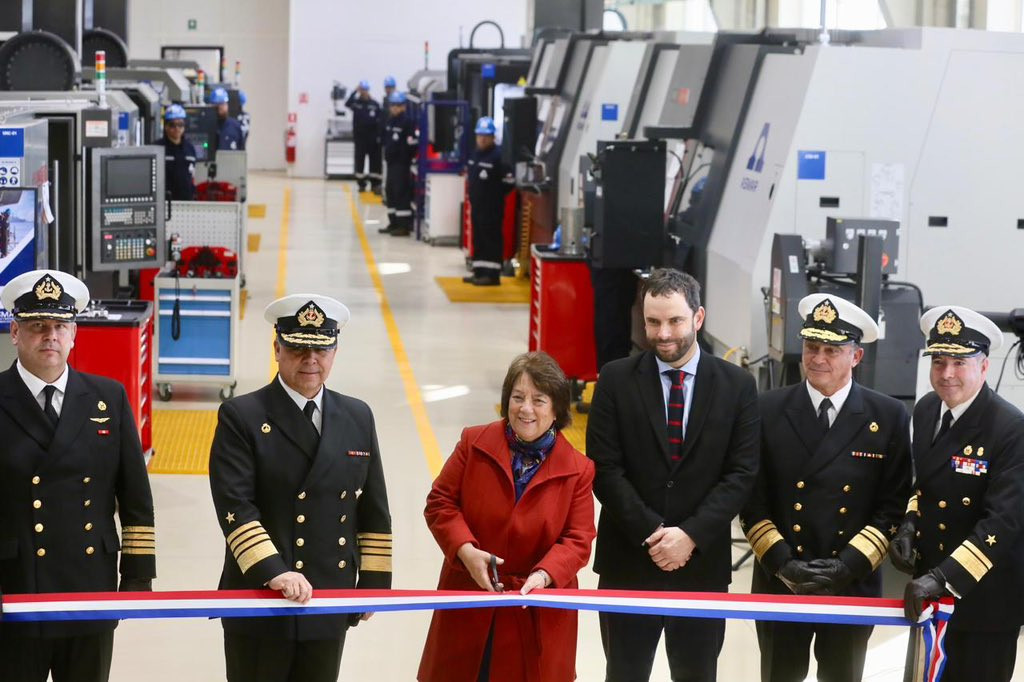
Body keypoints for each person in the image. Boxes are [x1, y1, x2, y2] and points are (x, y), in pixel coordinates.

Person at [587, 267, 759, 682]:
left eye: (675, 321)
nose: (663, 334)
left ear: (698, 318)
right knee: (624, 673)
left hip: (701, 565)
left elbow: (741, 473)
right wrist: (654, 533)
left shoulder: (737, 386)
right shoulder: (614, 380)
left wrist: (690, 536)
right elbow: (604, 470)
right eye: (653, 322)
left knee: (697, 674)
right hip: (628, 562)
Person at [209, 294, 392, 682]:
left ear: (335, 352)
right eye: (297, 348)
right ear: (277, 349)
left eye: (321, 349)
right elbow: (235, 505)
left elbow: (374, 505)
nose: (310, 359)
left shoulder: (357, 415)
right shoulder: (242, 416)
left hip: (328, 598)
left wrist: (375, 584)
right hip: (261, 597)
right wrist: (275, 571)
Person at [740, 294, 911, 682]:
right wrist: (783, 563)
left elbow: (892, 505)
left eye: (832, 350)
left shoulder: (887, 416)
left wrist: (846, 566)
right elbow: (751, 498)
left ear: (856, 357)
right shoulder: (767, 409)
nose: (818, 358)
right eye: (811, 347)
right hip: (780, 581)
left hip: (852, 583)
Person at [0, 269, 156, 682]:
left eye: (59, 326)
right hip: (14, 587)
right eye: (36, 326)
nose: (49, 335)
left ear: (74, 335)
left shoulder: (109, 397)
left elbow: (136, 496)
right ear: (15, 332)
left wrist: (138, 575)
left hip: (89, 584)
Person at [418, 351, 595, 682]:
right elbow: (440, 502)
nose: (526, 409)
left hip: (536, 611)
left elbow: (579, 538)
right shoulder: (474, 443)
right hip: (470, 597)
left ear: (557, 408)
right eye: (517, 398)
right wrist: (465, 550)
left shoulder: (579, 470)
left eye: (539, 400)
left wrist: (545, 574)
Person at [890, 306, 1024, 682]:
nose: (947, 374)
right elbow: (926, 484)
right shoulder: (928, 408)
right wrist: (909, 524)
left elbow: (1003, 521)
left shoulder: (1011, 428)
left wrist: (942, 578)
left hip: (985, 599)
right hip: (930, 591)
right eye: (939, 361)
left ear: (983, 366)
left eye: (960, 362)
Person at [463, 116, 514, 287]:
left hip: (492, 208)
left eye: (486, 135)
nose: (482, 138)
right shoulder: (475, 154)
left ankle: (492, 276)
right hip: (477, 207)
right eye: (480, 135)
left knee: (491, 239)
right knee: (479, 239)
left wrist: (494, 196)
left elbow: (509, 183)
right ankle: (479, 271)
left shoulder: (499, 156)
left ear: (493, 137)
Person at [381, 92, 418, 237]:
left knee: (401, 193)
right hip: (390, 163)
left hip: (401, 164)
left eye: (397, 105)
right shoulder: (391, 121)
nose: (394, 108)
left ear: (403, 106)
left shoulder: (407, 122)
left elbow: (412, 143)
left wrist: (405, 157)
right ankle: (393, 222)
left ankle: (404, 226)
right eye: (392, 105)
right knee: (390, 192)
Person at [345, 80, 383, 194]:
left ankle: (375, 184)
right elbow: (347, 103)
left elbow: (380, 121)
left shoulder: (375, 104)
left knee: (375, 162)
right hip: (360, 139)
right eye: (362, 90)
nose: (364, 92)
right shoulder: (356, 103)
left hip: (373, 139)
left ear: (368, 90)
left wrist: (379, 136)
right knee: (360, 161)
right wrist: (354, 91)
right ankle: (361, 184)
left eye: (365, 90)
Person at [157, 104, 197, 201]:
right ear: (166, 126)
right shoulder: (158, 149)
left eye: (180, 124)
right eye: (172, 125)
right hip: (165, 204)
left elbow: (192, 177)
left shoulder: (190, 149)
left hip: (187, 204)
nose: (177, 128)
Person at [210, 86, 245, 151]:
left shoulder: (235, 126)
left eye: (223, 104)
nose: (221, 108)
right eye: (218, 105)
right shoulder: (207, 126)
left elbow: (241, 151)